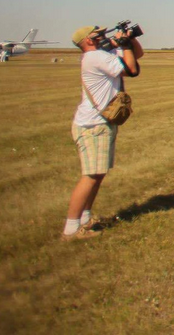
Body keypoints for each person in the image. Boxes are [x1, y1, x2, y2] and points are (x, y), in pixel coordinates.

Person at [63, 24, 142, 241]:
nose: (103, 36)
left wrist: (129, 40)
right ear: (88, 40)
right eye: (97, 34)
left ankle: (85, 219)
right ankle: (71, 229)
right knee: (89, 176)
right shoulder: (95, 57)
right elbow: (131, 69)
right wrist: (123, 44)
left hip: (100, 123)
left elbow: (137, 55)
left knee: (97, 174)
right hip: (93, 126)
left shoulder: (101, 55)